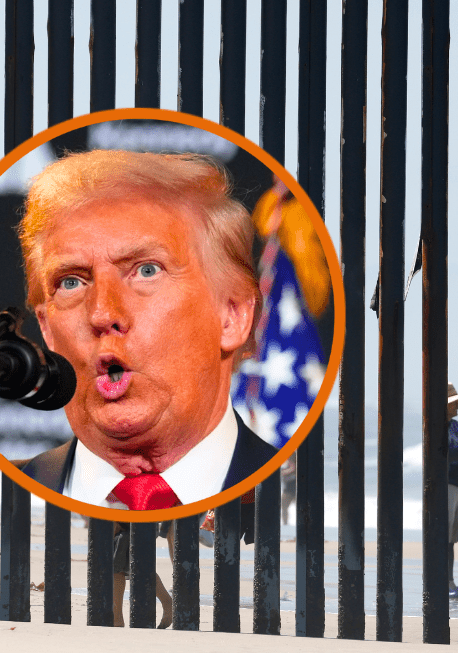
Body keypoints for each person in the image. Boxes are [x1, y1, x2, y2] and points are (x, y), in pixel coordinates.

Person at [16, 150, 279, 509]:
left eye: (147, 270)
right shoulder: (1, 505)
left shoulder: (300, 504)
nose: (103, 313)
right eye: (72, 282)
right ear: (46, 329)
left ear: (231, 316)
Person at [445, 382, 458, 599]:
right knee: (442, 537)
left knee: (451, 539)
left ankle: (449, 581)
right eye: (454, 403)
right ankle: (442, 581)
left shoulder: (457, 426)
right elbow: (445, 455)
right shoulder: (434, 426)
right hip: (444, 486)